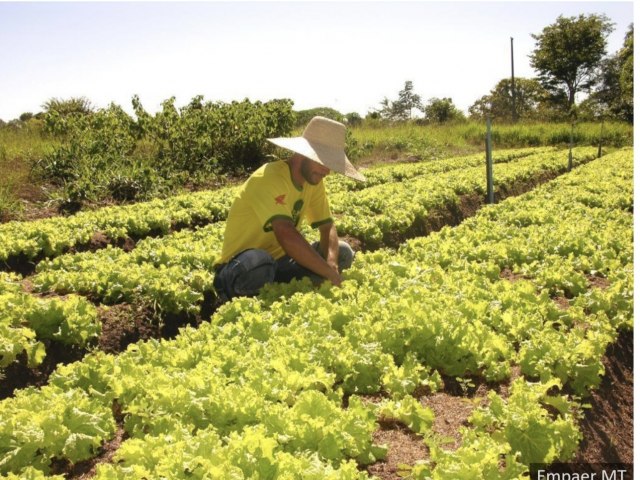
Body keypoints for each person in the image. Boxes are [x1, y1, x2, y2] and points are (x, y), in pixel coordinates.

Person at [213, 116, 366, 302]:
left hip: (281, 263)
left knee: (343, 252)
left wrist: (331, 263)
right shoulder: (269, 177)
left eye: (330, 165)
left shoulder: (313, 180)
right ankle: (233, 297)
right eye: (323, 162)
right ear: (304, 155)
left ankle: (280, 295)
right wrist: (326, 271)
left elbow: (328, 227)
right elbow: (285, 233)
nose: (327, 172)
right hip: (240, 267)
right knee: (260, 263)